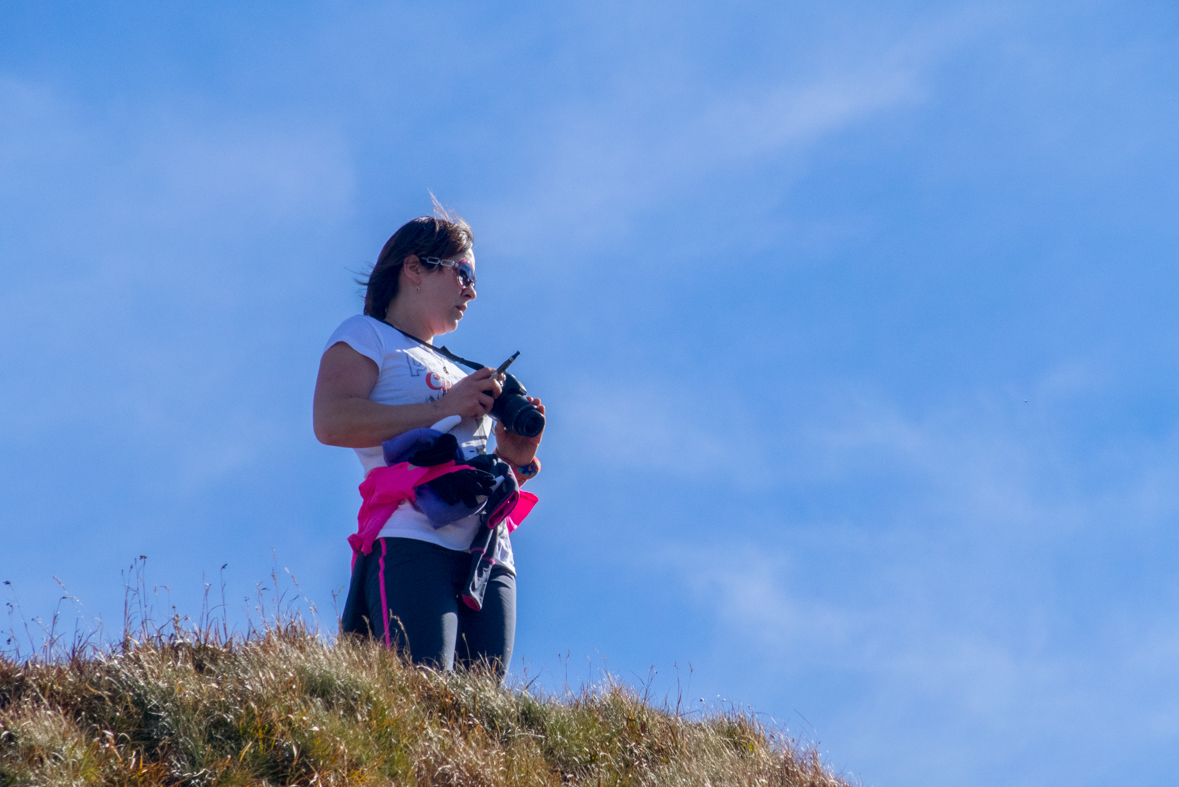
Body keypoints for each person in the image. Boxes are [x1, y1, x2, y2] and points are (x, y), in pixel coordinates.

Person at [313, 208, 544, 677]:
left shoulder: (462, 368)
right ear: (415, 268)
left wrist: (514, 462)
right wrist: (445, 407)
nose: (472, 290)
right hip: (412, 534)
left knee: (480, 714)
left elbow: (470, 454)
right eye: (464, 272)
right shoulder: (367, 336)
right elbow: (331, 422)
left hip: (489, 549)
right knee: (424, 690)